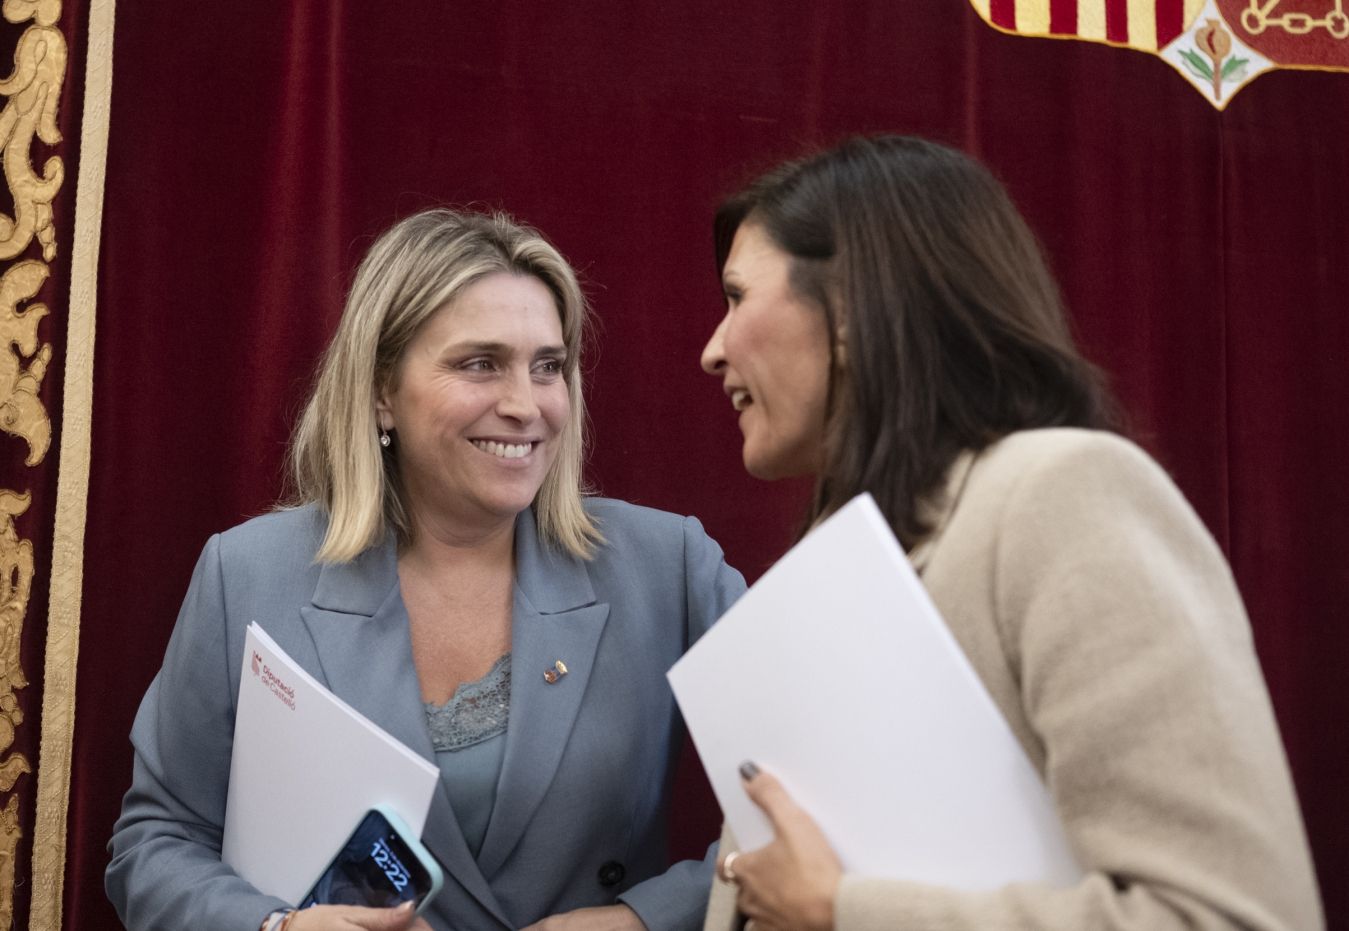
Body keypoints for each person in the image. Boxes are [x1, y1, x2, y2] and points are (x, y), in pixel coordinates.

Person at [698, 136, 1322, 931]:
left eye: (736, 296)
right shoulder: (834, 558)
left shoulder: (1061, 493)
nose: (712, 350)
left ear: (851, 306)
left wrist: (842, 910)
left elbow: (1225, 915)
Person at [107, 208, 745, 931]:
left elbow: (833, 798)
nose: (523, 403)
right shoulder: (246, 573)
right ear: (382, 389)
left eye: (548, 366)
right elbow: (153, 846)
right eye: (479, 363)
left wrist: (643, 919)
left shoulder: (667, 564)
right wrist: (275, 928)